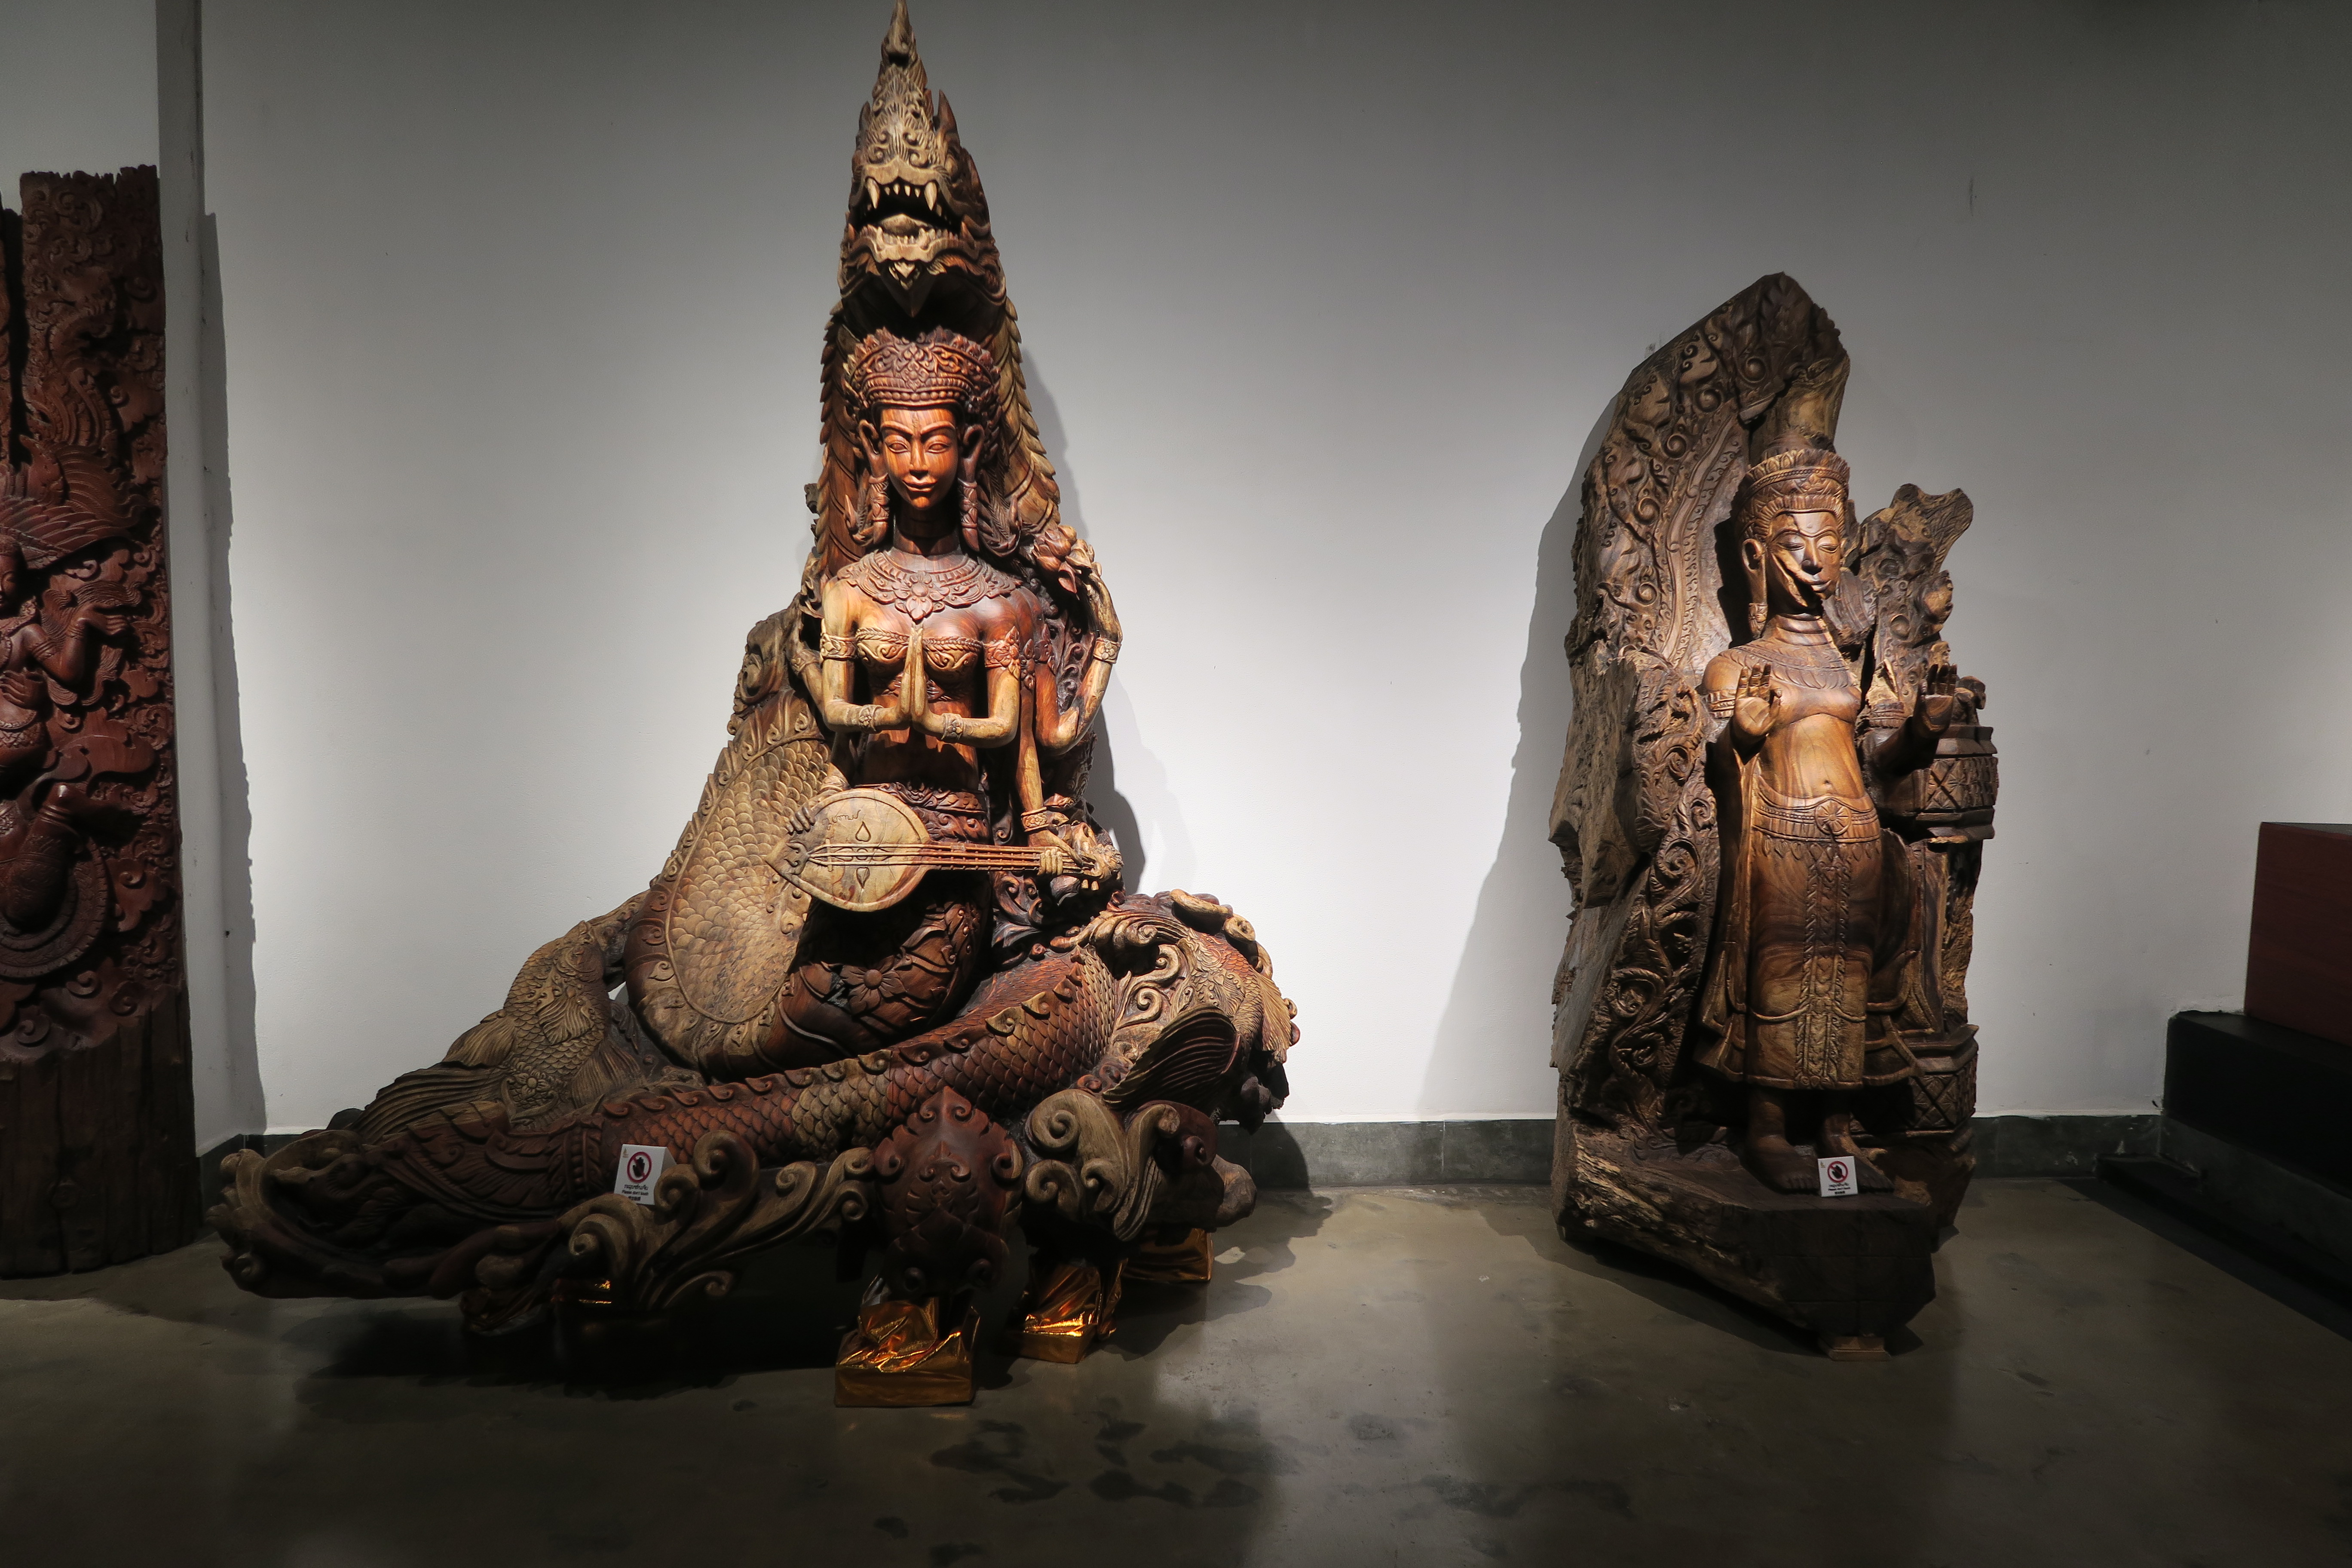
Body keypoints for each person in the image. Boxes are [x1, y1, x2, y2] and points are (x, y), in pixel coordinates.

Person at [1693, 443, 1955, 1192]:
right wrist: (1741, 736)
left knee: (1848, 986)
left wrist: (1924, 729)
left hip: (1858, 843)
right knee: (1780, 980)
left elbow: (1879, 764)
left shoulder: (1846, 666)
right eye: (1794, 546)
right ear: (1756, 556)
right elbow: (1718, 768)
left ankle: (1838, 1132)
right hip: (1781, 841)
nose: (1814, 563)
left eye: (1830, 543)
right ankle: (1768, 1129)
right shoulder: (1737, 665)